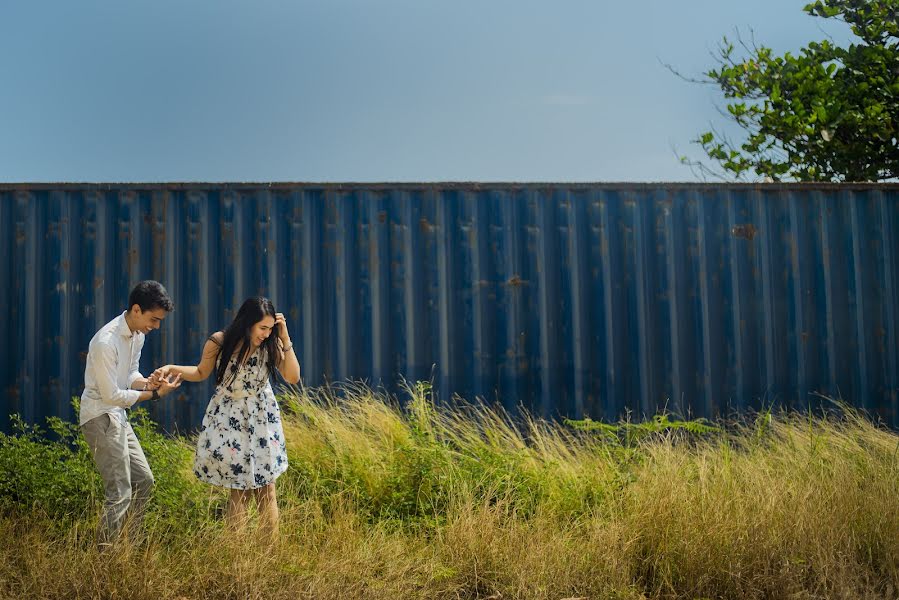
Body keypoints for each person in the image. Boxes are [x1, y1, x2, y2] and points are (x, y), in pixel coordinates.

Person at [157, 296, 300, 536]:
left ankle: (270, 557)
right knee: (239, 489)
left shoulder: (271, 344)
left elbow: (293, 377)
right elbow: (201, 371)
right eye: (261, 328)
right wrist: (173, 368)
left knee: (267, 489)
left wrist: (284, 338)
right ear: (247, 323)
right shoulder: (219, 341)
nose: (266, 333)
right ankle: (236, 556)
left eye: (269, 328)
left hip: (262, 418)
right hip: (230, 418)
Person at [80, 280, 183, 550]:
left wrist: (149, 383)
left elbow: (129, 376)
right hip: (99, 417)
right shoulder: (106, 342)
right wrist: (155, 395)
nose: (156, 326)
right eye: (154, 319)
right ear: (136, 310)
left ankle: (126, 547)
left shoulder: (138, 335)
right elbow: (111, 394)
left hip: (117, 416)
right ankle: (103, 561)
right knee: (120, 492)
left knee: (144, 481)